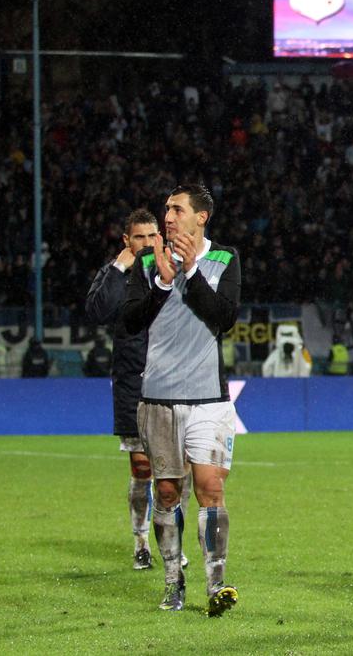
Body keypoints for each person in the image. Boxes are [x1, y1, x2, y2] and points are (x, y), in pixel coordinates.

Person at [123, 184, 241, 616]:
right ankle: (173, 581)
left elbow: (225, 318)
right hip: (158, 396)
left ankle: (216, 583)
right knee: (168, 492)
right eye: (166, 210)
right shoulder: (148, 262)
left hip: (209, 397)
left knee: (211, 488)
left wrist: (191, 274)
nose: (168, 217)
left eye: (176, 209)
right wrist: (159, 284)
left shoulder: (225, 258)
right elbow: (131, 323)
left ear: (201, 217)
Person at [85, 208, 192, 570]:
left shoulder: (172, 267)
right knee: (142, 467)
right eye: (140, 237)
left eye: (152, 236)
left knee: (179, 470)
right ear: (127, 241)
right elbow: (97, 311)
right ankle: (141, 541)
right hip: (133, 381)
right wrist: (118, 267)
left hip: (173, 379)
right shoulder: (116, 272)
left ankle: (172, 539)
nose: (147, 243)